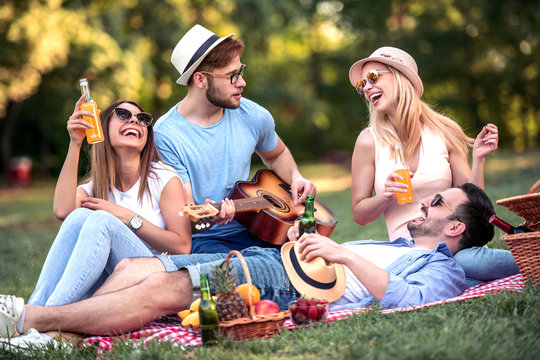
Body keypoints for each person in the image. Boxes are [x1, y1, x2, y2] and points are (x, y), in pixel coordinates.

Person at [1, 183, 495, 339]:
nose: (425, 203)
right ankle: (58, 339)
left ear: (455, 228)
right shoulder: (400, 247)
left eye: (438, 204)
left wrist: (342, 253)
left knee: (164, 290)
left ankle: (31, 319)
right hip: (273, 260)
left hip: (286, 286)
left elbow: (405, 299)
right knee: (133, 269)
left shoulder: (443, 270)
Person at [347, 46, 518, 285]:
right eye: (362, 84)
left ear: (401, 76)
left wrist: (478, 158)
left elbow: (472, 203)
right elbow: (359, 214)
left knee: (470, 263)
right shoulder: (368, 141)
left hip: (455, 245)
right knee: (460, 269)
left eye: (374, 77)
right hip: (409, 252)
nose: (366, 87)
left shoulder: (444, 130)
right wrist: (385, 196)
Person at [153, 24, 316, 254]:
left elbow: (276, 154)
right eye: (232, 76)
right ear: (200, 80)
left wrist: (296, 177)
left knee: (315, 256)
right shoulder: (166, 135)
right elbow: (188, 216)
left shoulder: (253, 115)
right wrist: (213, 217)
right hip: (208, 241)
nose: (242, 83)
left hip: (260, 228)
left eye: (241, 71)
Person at [27, 96, 192, 307]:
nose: (134, 121)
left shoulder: (164, 178)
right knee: (80, 215)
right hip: (106, 280)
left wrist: (127, 217)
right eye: (123, 115)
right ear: (103, 129)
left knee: (102, 220)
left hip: (149, 276)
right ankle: (33, 309)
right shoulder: (96, 186)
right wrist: (75, 143)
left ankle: (45, 316)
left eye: (142, 118)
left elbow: (183, 246)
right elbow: (63, 212)